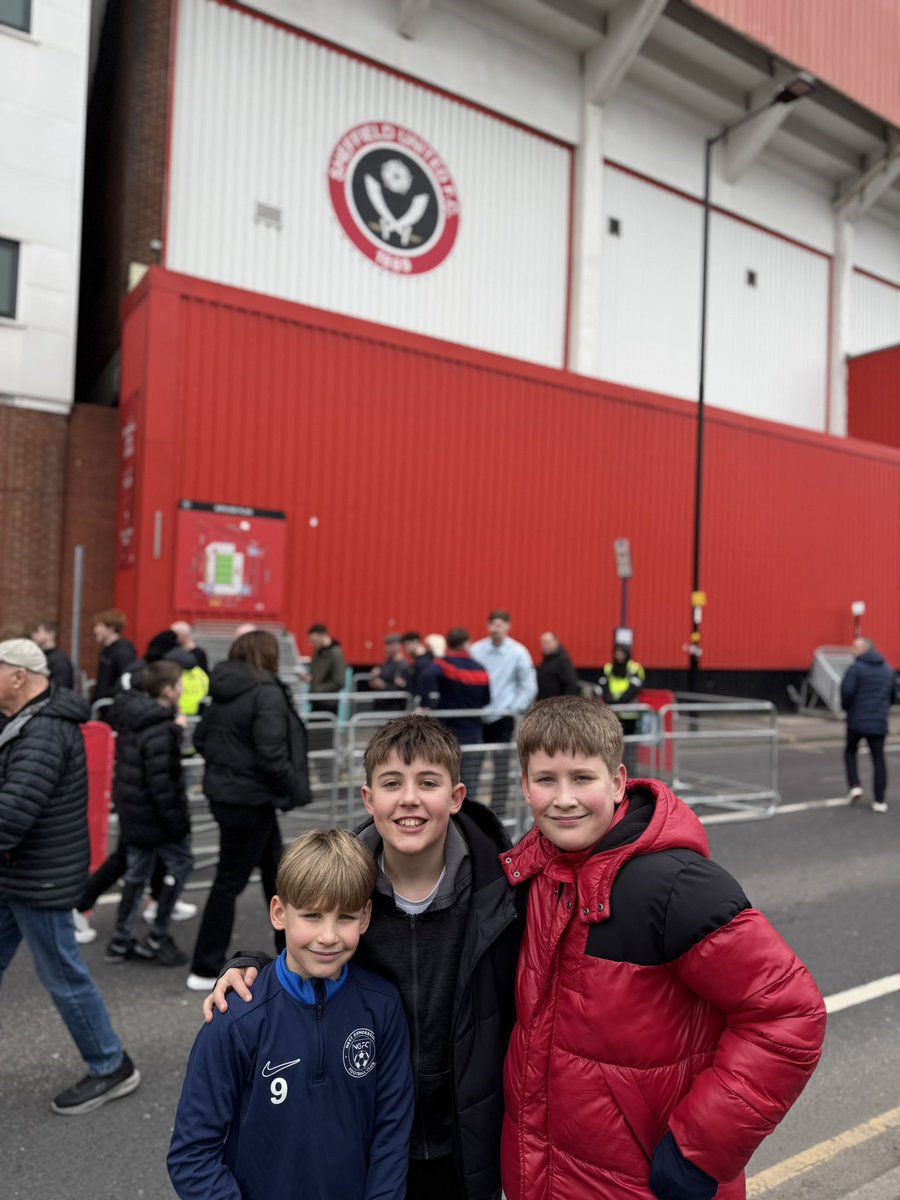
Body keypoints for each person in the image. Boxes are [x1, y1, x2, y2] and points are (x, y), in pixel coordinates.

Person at [500, 695, 826, 1200]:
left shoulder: (675, 885)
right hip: (547, 1176)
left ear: (617, 781)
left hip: (643, 1182)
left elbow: (789, 1014)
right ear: (525, 786)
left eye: (582, 778)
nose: (564, 798)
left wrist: (700, 1147)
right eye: (546, 780)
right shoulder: (533, 874)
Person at [206, 714, 521, 1200]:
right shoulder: (341, 881)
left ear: (457, 797)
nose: (409, 798)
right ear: (369, 799)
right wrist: (248, 965)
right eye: (392, 783)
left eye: (428, 782)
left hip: (470, 1135)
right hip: (365, 1135)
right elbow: (303, 951)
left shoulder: (504, 887)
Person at [168, 828, 413, 1199]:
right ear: (279, 913)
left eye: (345, 917)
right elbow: (192, 1155)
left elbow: (391, 1132)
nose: (328, 936)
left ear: (365, 917)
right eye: (312, 915)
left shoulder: (383, 1005)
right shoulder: (235, 1018)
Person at [0, 639, 140, 1114]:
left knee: (63, 975)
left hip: (38, 879)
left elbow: (12, 812)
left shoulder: (43, 732)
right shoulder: (23, 722)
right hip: (17, 873)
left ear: (18, 676)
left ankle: (110, 1064)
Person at [187, 630, 311, 991]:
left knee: (276, 876)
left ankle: (290, 954)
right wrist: (291, 785)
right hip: (252, 799)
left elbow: (201, 738)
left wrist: (231, 765)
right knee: (230, 881)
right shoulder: (265, 692)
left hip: (233, 797)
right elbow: (272, 753)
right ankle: (205, 965)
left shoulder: (226, 690)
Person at [103, 661, 194, 967]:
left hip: (134, 811)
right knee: (181, 863)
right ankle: (156, 935)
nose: (182, 689)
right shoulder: (161, 728)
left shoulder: (135, 717)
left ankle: (120, 941)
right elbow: (162, 783)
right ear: (167, 690)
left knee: (136, 873)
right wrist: (178, 824)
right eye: (179, 684)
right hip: (155, 816)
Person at [470, 610, 537, 817]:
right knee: (473, 761)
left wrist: (513, 710)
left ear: (508, 627)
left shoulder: (518, 652)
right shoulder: (476, 650)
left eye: (499, 625)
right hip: (477, 715)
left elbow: (528, 686)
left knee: (501, 764)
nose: (495, 629)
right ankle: (470, 808)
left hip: (503, 717)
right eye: (492, 624)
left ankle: (498, 810)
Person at [419, 627, 490, 801]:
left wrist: (426, 703)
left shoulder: (443, 664)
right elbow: (487, 699)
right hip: (473, 733)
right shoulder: (480, 668)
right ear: (467, 643)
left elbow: (426, 676)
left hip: (446, 733)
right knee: (470, 783)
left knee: (443, 780)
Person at [841, 636, 896, 813]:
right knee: (878, 759)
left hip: (856, 720)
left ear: (864, 649)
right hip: (879, 721)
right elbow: (893, 696)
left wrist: (847, 709)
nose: (852, 650)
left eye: (855, 647)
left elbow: (846, 693)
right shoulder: (888, 670)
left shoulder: (856, 668)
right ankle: (880, 800)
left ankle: (854, 785)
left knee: (850, 751)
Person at [599, 639, 645, 773]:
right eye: (617, 652)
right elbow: (604, 686)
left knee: (629, 745)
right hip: (612, 712)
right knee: (612, 743)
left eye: (621, 653)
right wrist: (610, 700)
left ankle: (630, 771)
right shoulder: (608, 668)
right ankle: (613, 771)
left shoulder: (635, 668)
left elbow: (634, 688)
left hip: (629, 713)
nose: (619, 655)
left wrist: (619, 702)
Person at [91, 609, 137, 703]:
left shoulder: (122, 652)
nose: (95, 630)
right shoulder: (108, 650)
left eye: (99, 626)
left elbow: (126, 680)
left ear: (111, 628)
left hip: (112, 705)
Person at [302, 622, 347, 713]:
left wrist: (318, 689)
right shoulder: (318, 652)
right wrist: (309, 677)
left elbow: (339, 681)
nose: (311, 644)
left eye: (313, 641)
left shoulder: (336, 654)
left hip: (328, 703)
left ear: (322, 636)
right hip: (315, 701)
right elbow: (317, 674)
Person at [370, 633, 412, 711]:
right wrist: (374, 679)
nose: (386, 648)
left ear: (397, 646)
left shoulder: (402, 665)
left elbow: (404, 688)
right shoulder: (386, 662)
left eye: (389, 645)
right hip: (381, 705)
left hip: (394, 707)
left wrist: (384, 686)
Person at [29, 620, 75, 690]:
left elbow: (61, 688)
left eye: (38, 632)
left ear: (50, 634)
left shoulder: (59, 661)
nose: (33, 635)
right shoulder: (43, 657)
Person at [535, 630, 580, 700]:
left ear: (556, 642)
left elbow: (571, 684)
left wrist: (565, 703)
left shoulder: (562, 660)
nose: (544, 646)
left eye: (547, 642)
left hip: (556, 703)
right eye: (543, 643)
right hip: (545, 702)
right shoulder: (547, 659)